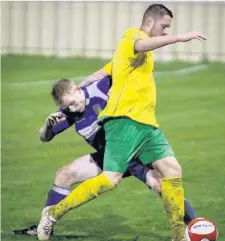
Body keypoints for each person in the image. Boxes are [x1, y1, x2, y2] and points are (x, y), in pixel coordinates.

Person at [37, 4, 206, 241]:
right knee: (106, 179)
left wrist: (83, 88)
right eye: (165, 26)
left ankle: (182, 235)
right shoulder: (132, 37)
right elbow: (142, 43)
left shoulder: (126, 62)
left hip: (145, 124)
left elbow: (102, 72)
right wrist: (180, 38)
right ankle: (52, 214)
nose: (166, 31)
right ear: (150, 21)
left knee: (171, 172)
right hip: (124, 124)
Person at [13, 76, 196, 237]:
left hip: (133, 152)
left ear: (78, 89)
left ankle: (196, 226)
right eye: (65, 107)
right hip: (109, 156)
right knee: (64, 174)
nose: (71, 109)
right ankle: (45, 226)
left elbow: (122, 70)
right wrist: (48, 125)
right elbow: (44, 137)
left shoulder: (100, 88)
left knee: (162, 186)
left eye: (72, 103)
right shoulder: (68, 112)